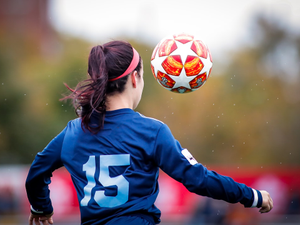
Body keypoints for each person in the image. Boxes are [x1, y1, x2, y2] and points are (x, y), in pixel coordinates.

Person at [25, 40, 273, 225]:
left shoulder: (72, 132)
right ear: (135, 79)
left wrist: (41, 208)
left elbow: (36, 173)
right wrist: (251, 196)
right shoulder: (151, 132)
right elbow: (198, 179)